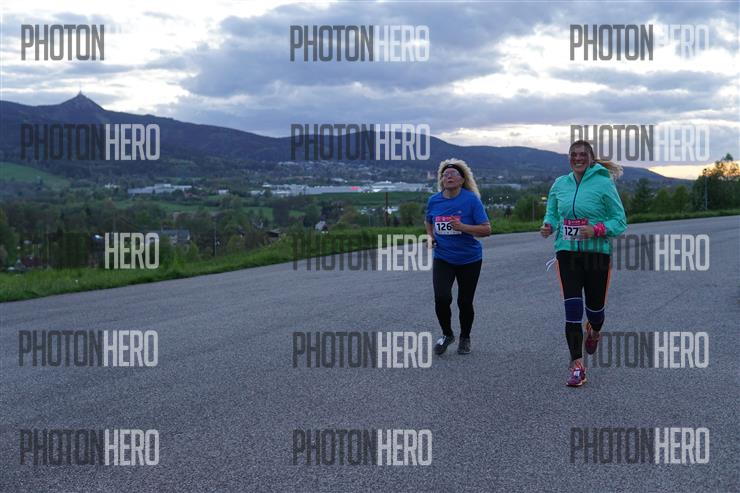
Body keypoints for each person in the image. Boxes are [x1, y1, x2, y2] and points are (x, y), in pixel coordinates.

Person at [540, 140, 627, 386]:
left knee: (595, 312)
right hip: (567, 253)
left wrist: (596, 230)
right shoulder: (560, 184)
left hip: (597, 255)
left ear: (590, 158)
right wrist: (549, 226)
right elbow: (553, 213)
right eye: (573, 154)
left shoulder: (603, 183)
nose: (577, 158)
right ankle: (577, 366)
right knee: (572, 310)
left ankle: (595, 330)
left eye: (582, 155)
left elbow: (620, 220)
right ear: (568, 158)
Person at [425, 159, 491, 355]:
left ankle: (465, 337)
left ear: (462, 180)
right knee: (441, 297)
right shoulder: (434, 200)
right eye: (445, 174)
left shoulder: (471, 200)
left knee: (465, 302)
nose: (448, 176)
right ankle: (447, 334)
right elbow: (429, 221)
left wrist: (463, 227)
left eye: (453, 174)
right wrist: (430, 236)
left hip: (469, 259)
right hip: (443, 257)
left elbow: (486, 229)